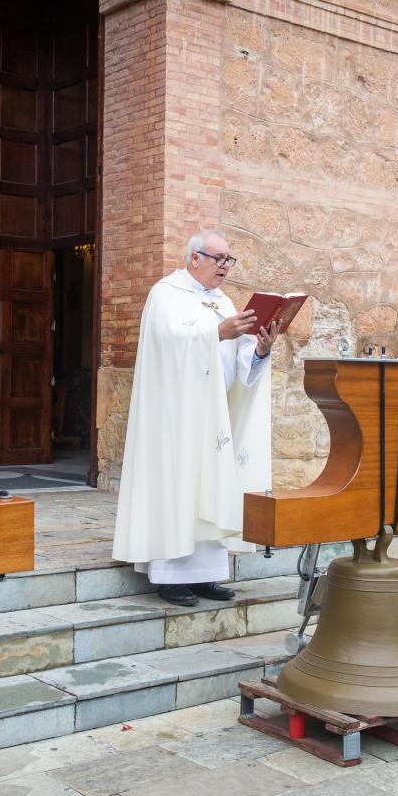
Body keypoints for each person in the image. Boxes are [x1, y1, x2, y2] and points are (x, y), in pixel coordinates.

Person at [112, 230, 282, 606]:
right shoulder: (165, 294)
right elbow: (167, 345)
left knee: (213, 486)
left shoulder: (223, 301)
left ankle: (206, 575)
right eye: (218, 258)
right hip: (176, 413)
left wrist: (259, 350)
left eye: (228, 260)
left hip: (215, 410)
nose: (225, 267)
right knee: (181, 485)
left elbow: (239, 364)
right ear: (194, 259)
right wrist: (215, 333)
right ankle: (171, 576)